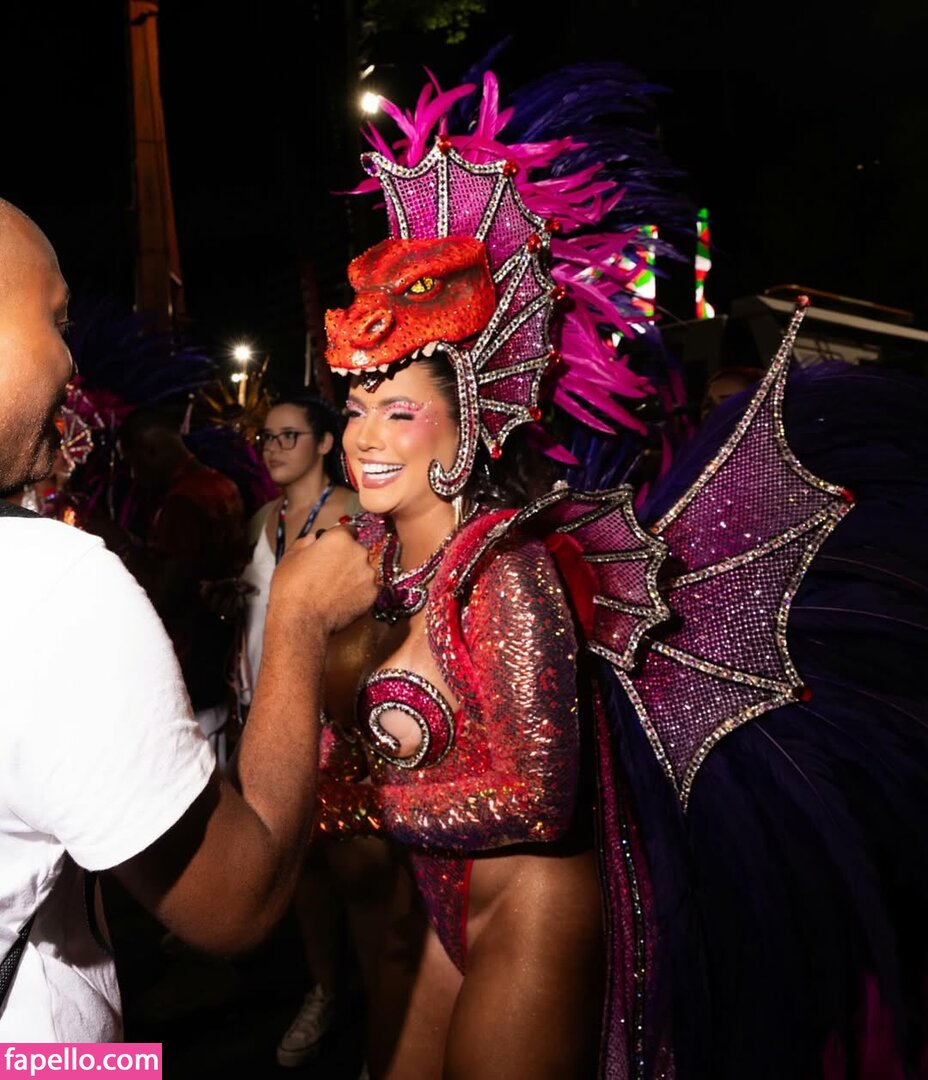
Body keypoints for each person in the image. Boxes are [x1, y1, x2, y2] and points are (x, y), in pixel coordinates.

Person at [308, 66, 928, 1079]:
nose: (364, 437)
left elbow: (536, 798)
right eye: (355, 410)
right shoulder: (372, 564)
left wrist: (364, 803)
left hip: (528, 915)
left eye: (397, 412)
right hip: (430, 904)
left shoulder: (503, 572)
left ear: (465, 427)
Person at [0, 196, 377, 1041]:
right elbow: (238, 903)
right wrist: (297, 619)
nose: (70, 358)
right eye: (54, 320)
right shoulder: (50, 582)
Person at [237, 390, 364, 1067]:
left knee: (364, 872)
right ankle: (324, 989)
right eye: (267, 437)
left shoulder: (356, 514)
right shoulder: (262, 518)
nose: (274, 448)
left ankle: (385, 1013)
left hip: (337, 718)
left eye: (290, 435)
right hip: (268, 708)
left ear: (324, 443)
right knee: (301, 861)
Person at [104, 406, 251, 763]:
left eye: (133, 462)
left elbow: (166, 593)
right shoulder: (221, 484)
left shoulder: (182, 501)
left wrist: (121, 547)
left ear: (150, 449)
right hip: (219, 654)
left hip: (190, 657)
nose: (133, 475)